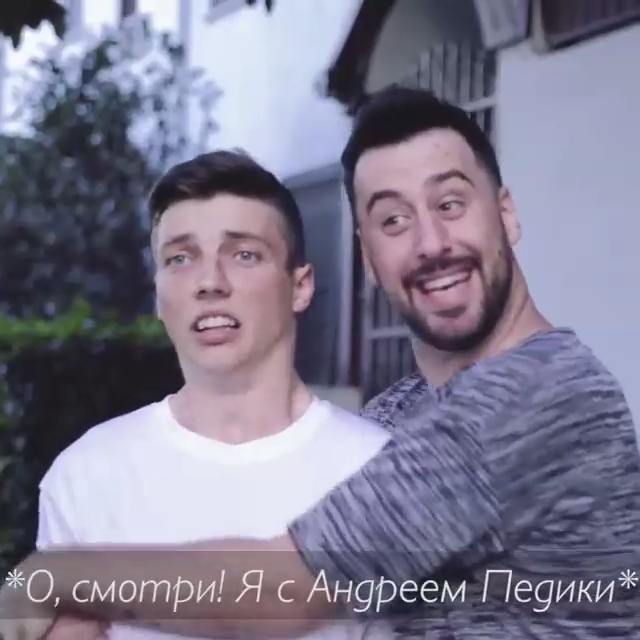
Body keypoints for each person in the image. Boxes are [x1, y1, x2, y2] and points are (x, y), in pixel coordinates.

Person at [2, 88, 640, 640]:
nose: (431, 243)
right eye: (394, 220)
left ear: (506, 214)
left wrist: (53, 575)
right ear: (367, 258)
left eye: (450, 204)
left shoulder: (543, 393)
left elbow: (286, 588)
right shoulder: (398, 420)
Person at [0, 150, 393, 640]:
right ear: (158, 294)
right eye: (180, 259)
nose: (209, 283)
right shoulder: (87, 475)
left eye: (244, 255)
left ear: (301, 286)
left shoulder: (378, 469)